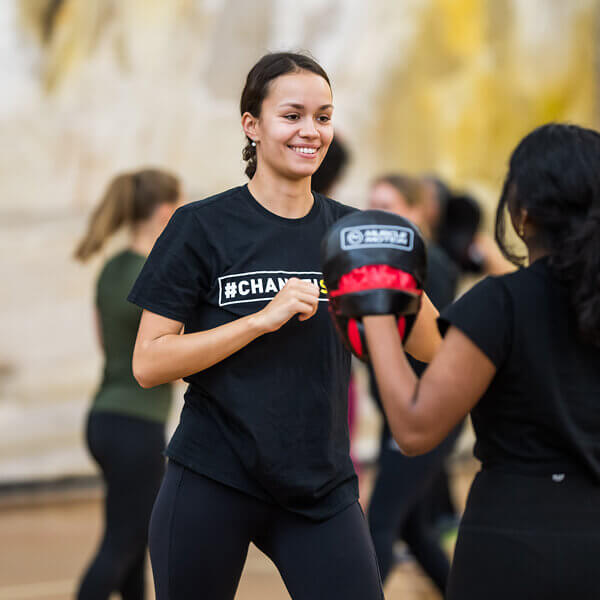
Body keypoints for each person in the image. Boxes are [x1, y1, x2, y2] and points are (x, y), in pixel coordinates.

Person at [127, 52, 439, 600]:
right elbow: (149, 362)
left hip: (320, 485)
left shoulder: (351, 232)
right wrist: (259, 321)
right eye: (292, 115)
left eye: (323, 116)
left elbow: (437, 348)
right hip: (212, 476)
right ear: (252, 124)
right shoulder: (201, 226)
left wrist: (400, 279)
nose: (310, 131)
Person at [361, 123, 600, 599]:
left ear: (521, 212)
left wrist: (373, 313)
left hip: (509, 544)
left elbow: (413, 429)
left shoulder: (503, 301)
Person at [74, 168, 182, 600]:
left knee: (134, 542)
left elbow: (106, 343)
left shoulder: (111, 269)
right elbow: (167, 358)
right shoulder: (155, 274)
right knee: (122, 544)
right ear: (163, 213)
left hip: (103, 419)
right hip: (137, 428)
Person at [366, 174, 460, 593]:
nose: (376, 214)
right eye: (372, 205)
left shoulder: (426, 262)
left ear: (416, 210)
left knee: (380, 523)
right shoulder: (386, 262)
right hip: (401, 410)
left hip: (427, 412)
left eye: (388, 204)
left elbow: (419, 339)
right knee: (416, 531)